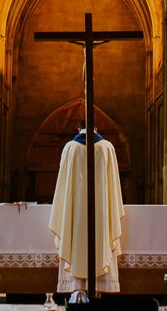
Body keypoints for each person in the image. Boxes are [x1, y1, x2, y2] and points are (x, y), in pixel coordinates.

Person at [49, 118, 124, 293]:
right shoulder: (107, 147)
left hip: (75, 211)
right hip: (102, 210)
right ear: (96, 128)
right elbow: (113, 183)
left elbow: (63, 183)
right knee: (102, 236)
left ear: (78, 128)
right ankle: (101, 285)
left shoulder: (70, 148)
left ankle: (76, 286)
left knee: (74, 236)